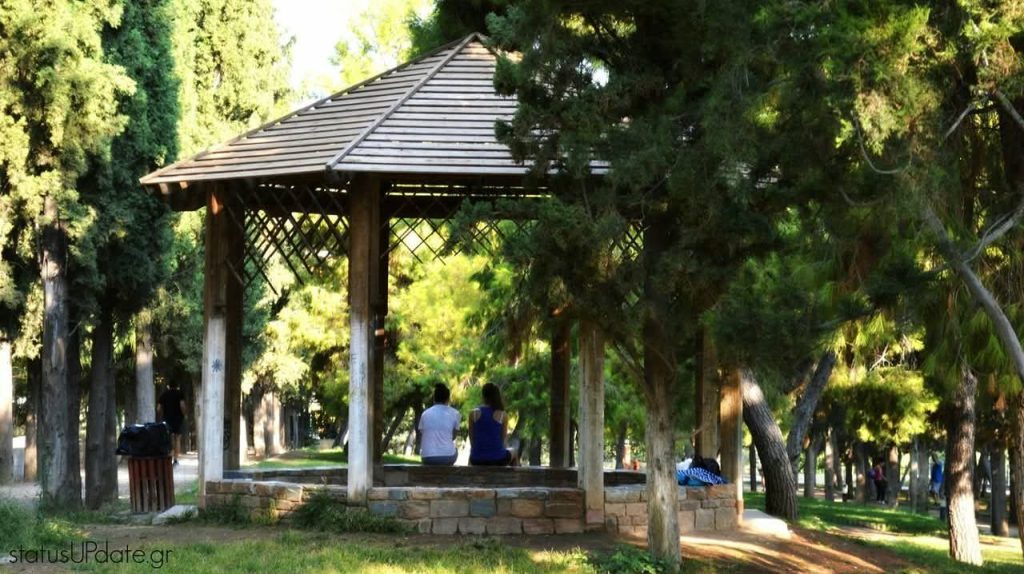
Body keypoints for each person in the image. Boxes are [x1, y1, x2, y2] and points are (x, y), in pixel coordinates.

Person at [469, 383, 516, 466]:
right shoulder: (503, 415)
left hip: (476, 459)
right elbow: (503, 440)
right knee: (514, 452)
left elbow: (472, 439)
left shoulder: (473, 413)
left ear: (483, 395)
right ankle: (515, 475)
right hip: (498, 459)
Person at [418, 383, 461, 465]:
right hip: (447, 457)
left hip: (427, 457)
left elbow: (423, 434)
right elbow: (453, 437)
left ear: (434, 398)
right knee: (455, 450)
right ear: (448, 399)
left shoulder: (425, 414)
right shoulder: (455, 413)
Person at [157, 381, 187, 465]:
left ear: (168, 386)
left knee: (169, 438)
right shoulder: (180, 394)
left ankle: (169, 457)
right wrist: (184, 415)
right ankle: (176, 459)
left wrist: (161, 416)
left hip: (167, 419)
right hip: (178, 419)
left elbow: (158, 408)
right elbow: (182, 405)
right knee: (177, 438)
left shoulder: (164, 394)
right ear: (177, 386)